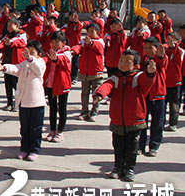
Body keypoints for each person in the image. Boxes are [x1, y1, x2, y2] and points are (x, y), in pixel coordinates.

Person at [93, 50, 157, 182]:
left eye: (127, 62)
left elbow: (147, 80)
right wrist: (99, 94)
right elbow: (106, 86)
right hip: (117, 120)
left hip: (134, 120)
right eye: (121, 60)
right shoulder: (115, 78)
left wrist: (150, 72)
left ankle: (129, 169)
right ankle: (117, 167)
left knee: (132, 147)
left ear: (135, 65)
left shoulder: (138, 78)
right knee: (118, 146)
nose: (121, 63)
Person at [0, 40, 46, 161]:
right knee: (25, 128)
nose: (29, 55)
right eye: (27, 52)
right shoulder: (25, 63)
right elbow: (16, 69)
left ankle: (34, 150)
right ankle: (24, 149)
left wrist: (31, 59)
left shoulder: (40, 63)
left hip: (37, 103)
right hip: (24, 102)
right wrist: (4, 67)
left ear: (39, 54)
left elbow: (39, 70)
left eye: (32, 53)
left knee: (36, 128)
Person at [139, 37, 168, 157]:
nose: (147, 50)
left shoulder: (159, 60)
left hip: (158, 96)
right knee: (142, 123)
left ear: (157, 49)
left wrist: (160, 56)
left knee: (157, 123)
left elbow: (162, 62)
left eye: (150, 48)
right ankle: (140, 146)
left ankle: (154, 146)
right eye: (145, 48)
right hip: (144, 96)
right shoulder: (143, 59)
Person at [71, 23, 106, 121]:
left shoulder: (100, 41)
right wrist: (73, 50)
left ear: (97, 32)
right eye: (88, 32)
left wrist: (90, 43)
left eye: (92, 31)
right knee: (84, 93)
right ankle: (84, 111)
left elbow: (99, 49)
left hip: (96, 72)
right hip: (85, 73)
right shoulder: (83, 41)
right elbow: (78, 47)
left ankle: (94, 111)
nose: (90, 34)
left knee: (96, 93)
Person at [43, 31, 72, 143]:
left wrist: (55, 59)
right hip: (50, 85)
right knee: (52, 109)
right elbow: (45, 59)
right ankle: (52, 130)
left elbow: (65, 60)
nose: (54, 44)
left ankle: (60, 131)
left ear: (63, 43)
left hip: (62, 85)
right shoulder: (50, 52)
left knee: (62, 109)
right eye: (53, 42)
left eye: (57, 42)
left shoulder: (67, 53)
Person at [0, 19, 27, 111]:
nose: (8, 28)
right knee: (8, 84)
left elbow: (19, 41)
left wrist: (11, 42)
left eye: (10, 25)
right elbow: (3, 43)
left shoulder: (22, 34)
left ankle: (19, 103)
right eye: (8, 25)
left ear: (17, 26)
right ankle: (9, 103)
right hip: (7, 62)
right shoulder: (7, 35)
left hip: (17, 63)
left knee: (17, 85)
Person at [164, 32, 184, 131]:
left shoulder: (180, 51)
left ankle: (173, 123)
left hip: (175, 81)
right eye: (168, 39)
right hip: (164, 81)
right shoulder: (165, 50)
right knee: (163, 104)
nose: (169, 41)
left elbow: (178, 59)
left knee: (174, 104)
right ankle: (161, 122)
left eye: (172, 39)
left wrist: (173, 46)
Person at [61, 11, 84, 83]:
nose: (72, 18)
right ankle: (69, 75)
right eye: (71, 16)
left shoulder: (78, 24)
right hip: (68, 46)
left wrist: (77, 21)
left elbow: (80, 28)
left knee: (75, 62)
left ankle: (74, 76)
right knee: (69, 62)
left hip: (76, 46)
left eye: (74, 16)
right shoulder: (67, 25)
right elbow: (63, 30)